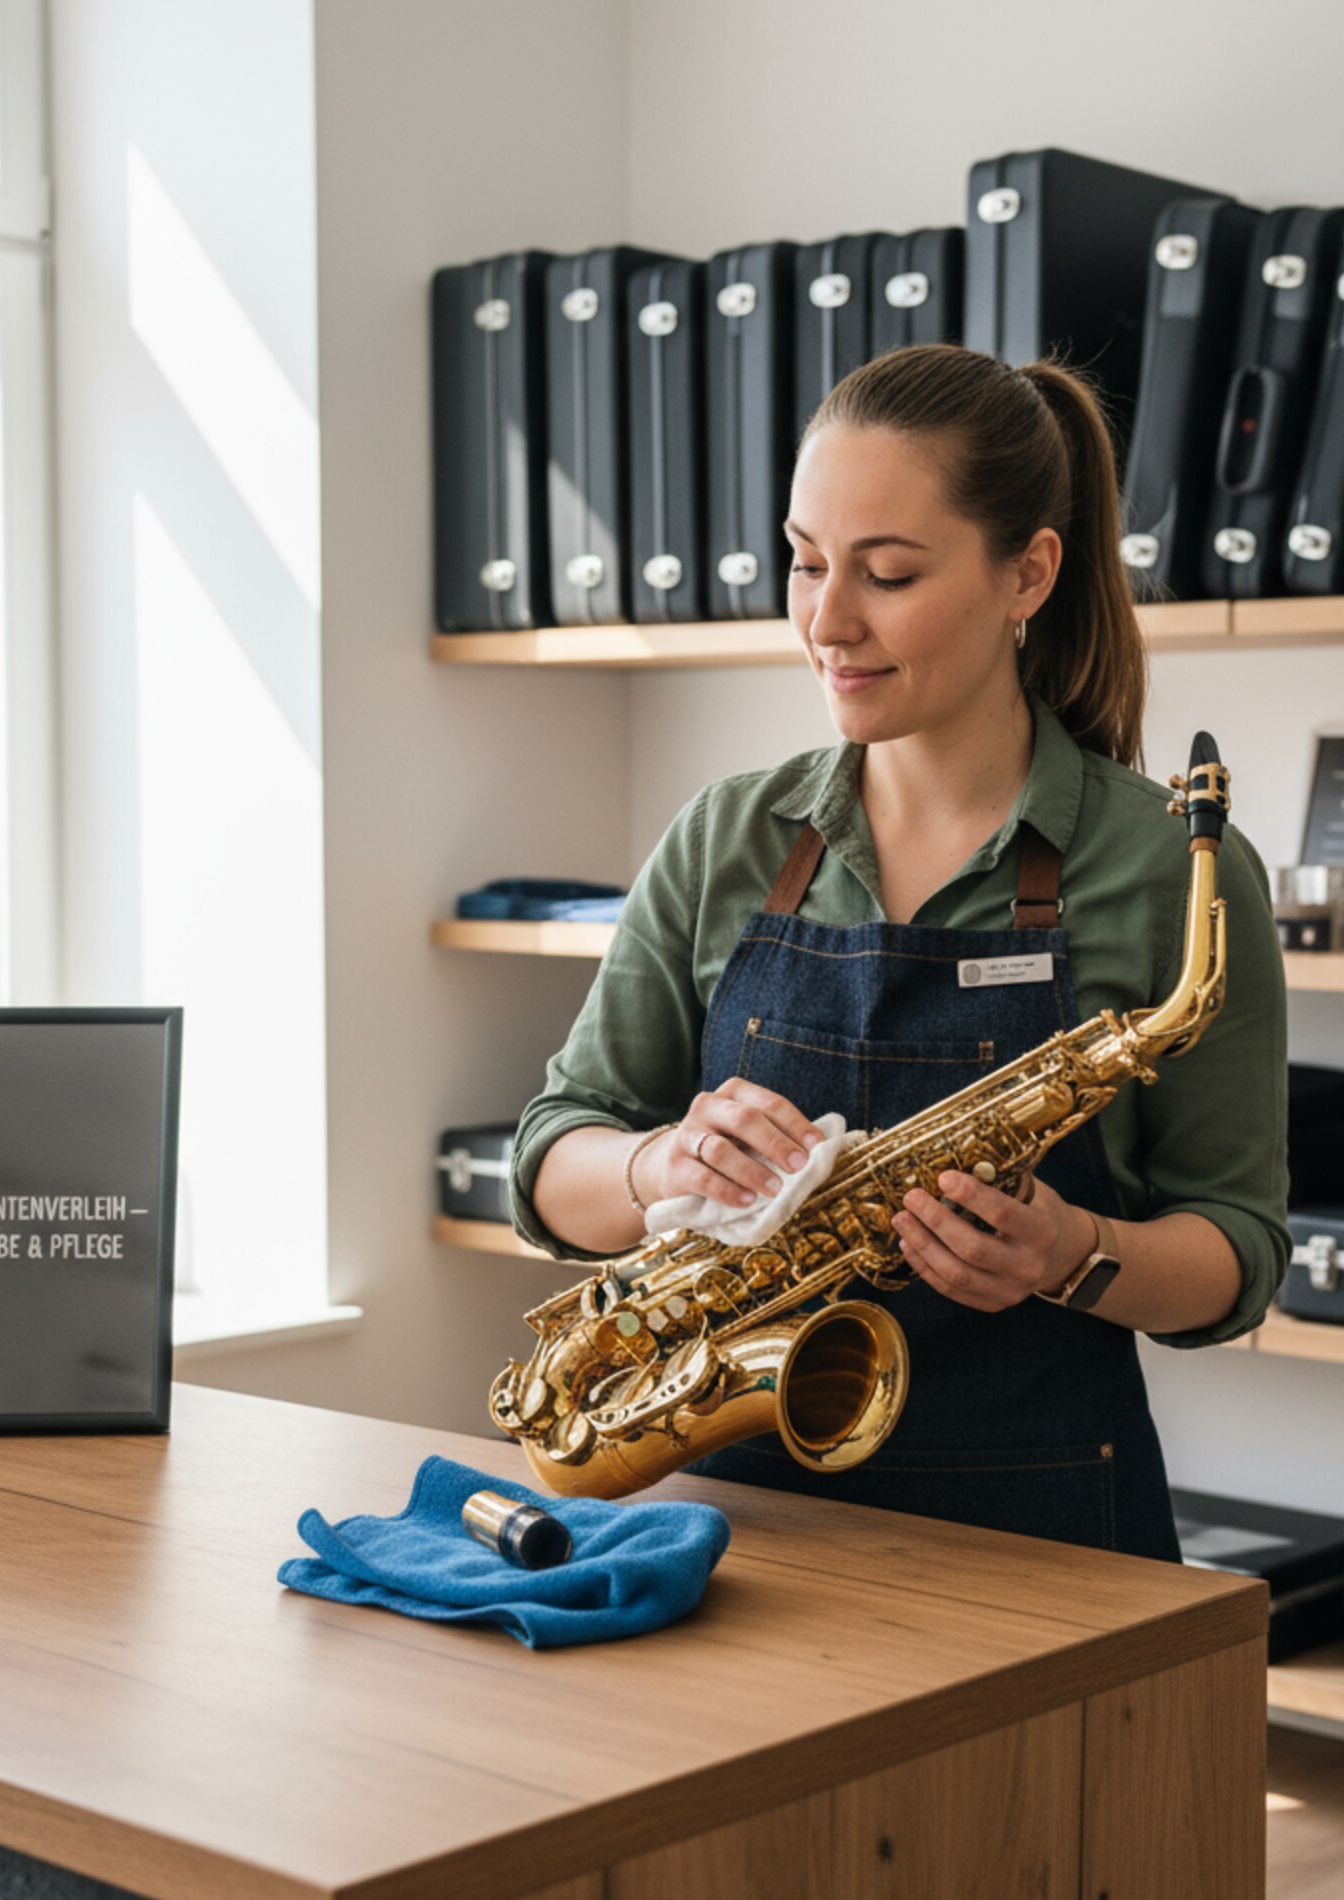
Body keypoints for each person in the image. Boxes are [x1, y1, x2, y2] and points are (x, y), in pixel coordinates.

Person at [510, 343, 1287, 1561]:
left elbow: (1235, 1254)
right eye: (806, 562)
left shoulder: (1170, 869)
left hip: (1046, 1542)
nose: (825, 620)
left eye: (884, 573)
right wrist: (662, 1161)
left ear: (1027, 573)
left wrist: (1071, 1254)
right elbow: (551, 1155)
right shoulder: (726, 834)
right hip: (727, 1534)